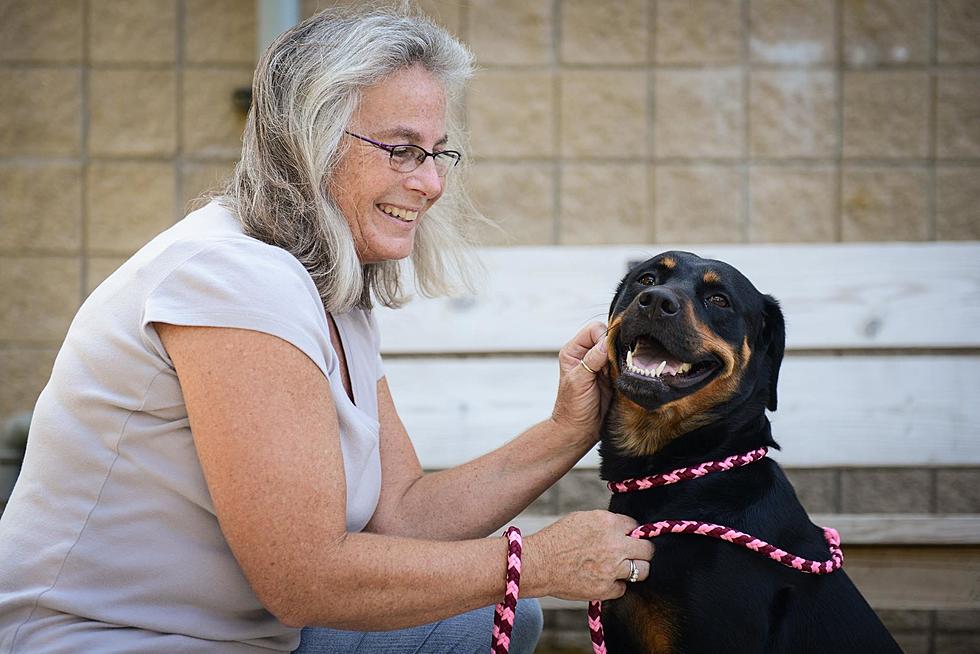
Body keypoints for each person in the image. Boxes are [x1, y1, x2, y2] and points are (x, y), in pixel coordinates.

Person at [0, 6, 654, 653]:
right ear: (311, 139)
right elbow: (303, 578)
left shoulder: (330, 291)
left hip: (243, 633)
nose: (429, 183)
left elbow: (401, 515)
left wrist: (568, 430)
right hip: (105, 640)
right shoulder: (230, 277)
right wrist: (533, 560)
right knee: (508, 596)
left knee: (494, 617)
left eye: (437, 153)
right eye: (401, 150)